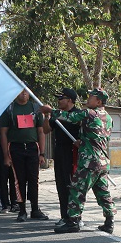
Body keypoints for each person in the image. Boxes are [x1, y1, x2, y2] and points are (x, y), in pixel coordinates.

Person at [40, 88, 116, 234]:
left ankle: (73, 221)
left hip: (89, 161)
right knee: (103, 192)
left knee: (76, 190)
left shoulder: (90, 113)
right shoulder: (108, 117)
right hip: (102, 161)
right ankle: (109, 221)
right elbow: (97, 137)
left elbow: (71, 117)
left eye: (91, 97)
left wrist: (51, 111)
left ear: (99, 101)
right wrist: (83, 141)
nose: (88, 99)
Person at [0, 89, 49, 222]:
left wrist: (42, 153)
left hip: (32, 148)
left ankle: (35, 209)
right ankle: (22, 210)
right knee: (19, 180)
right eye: (21, 91)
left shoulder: (35, 108)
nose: (24, 93)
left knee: (33, 179)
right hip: (16, 148)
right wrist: (5, 155)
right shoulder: (9, 110)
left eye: (26, 91)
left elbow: (40, 131)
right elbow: (3, 133)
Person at [42, 88, 80, 226]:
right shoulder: (57, 116)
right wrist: (47, 117)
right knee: (61, 185)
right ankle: (64, 216)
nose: (59, 101)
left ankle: (75, 216)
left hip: (73, 153)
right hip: (60, 153)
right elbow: (46, 130)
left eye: (61, 98)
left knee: (73, 186)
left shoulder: (78, 114)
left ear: (69, 100)